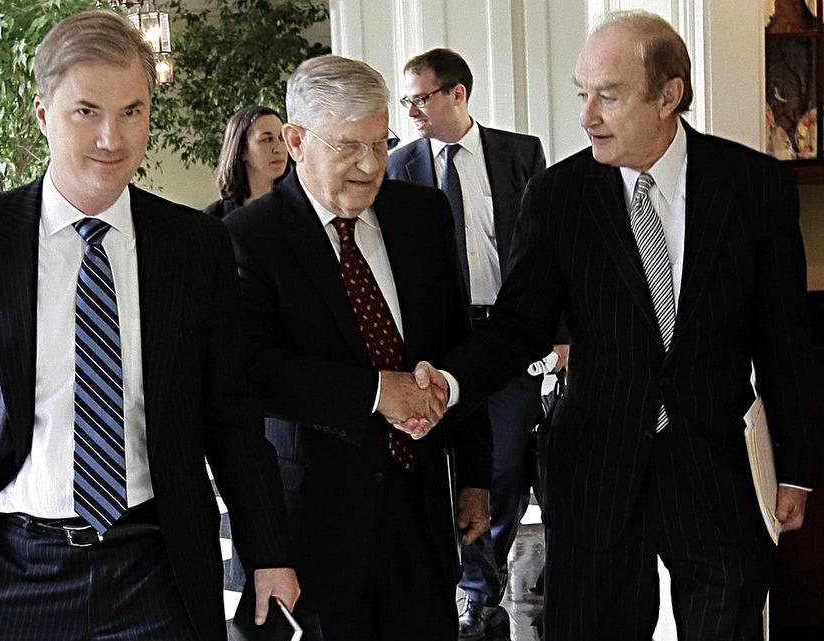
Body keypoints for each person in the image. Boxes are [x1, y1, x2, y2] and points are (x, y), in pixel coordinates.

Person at [410, 11, 820, 641]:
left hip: (716, 468)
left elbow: (785, 339)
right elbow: (519, 325)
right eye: (582, 93)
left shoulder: (753, 186)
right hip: (596, 469)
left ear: (668, 95)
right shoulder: (557, 195)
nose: (587, 115)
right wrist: (450, 382)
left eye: (609, 95)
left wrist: (794, 468)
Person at [0, 11, 299, 641]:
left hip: (159, 568)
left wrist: (269, 551)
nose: (113, 137)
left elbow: (232, 418)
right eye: (87, 111)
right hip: (14, 573)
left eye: (133, 111)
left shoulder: (195, 247)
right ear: (42, 114)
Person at [222, 54, 491, 641]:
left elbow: (455, 344)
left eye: (380, 142)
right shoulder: (249, 239)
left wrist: (475, 476)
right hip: (315, 532)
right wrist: (374, 393)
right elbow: (253, 372)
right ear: (296, 141)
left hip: (419, 518)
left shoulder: (422, 216)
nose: (371, 166)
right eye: (349, 147)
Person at [386, 47, 563, 640]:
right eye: (406, 99)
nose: (410, 110)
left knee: (505, 466)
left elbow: (547, 251)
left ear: (457, 94)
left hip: (505, 334)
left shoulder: (520, 154)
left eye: (421, 97)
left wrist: (557, 336)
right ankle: (476, 589)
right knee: (452, 468)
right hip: (437, 342)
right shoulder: (399, 165)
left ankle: (479, 581)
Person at [205, 105, 289, 219]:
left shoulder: (303, 209)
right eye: (267, 140)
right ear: (242, 151)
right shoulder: (214, 220)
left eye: (282, 138)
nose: (279, 149)